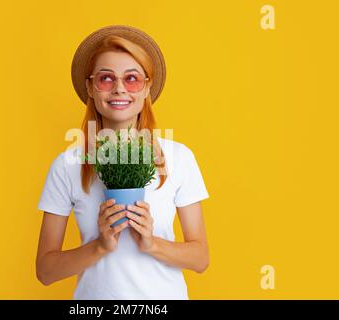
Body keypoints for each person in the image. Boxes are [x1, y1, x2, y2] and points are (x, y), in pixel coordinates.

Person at [36, 25, 210, 299]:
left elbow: (200, 258)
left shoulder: (179, 158)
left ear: (147, 89)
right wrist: (100, 247)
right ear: (90, 88)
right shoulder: (68, 165)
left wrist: (152, 244)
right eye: (106, 78)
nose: (119, 89)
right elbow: (45, 271)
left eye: (132, 79)